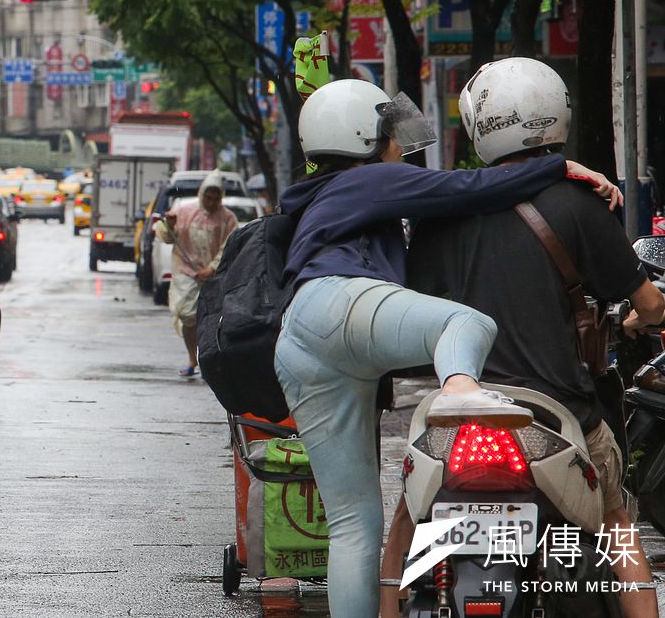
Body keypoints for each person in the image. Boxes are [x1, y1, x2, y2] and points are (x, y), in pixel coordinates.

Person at [273, 79, 620, 618]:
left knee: (352, 524)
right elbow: (470, 189)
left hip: (300, 342)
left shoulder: (314, 197)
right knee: (466, 322)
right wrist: (559, 168)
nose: (398, 145)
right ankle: (462, 390)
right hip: (338, 301)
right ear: (364, 137)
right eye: (389, 133)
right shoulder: (367, 181)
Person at [380, 58, 660, 617]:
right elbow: (648, 304)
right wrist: (643, 318)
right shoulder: (580, 200)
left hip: (455, 415)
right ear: (556, 114)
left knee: (404, 531)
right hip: (556, 415)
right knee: (616, 526)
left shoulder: (442, 211)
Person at [154, 172, 239, 377]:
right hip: (186, 271)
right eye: (207, 197)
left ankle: (210, 359)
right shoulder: (184, 211)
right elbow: (166, 236)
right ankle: (193, 357)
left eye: (215, 199)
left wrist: (213, 267)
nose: (210, 202)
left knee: (214, 319)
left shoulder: (228, 219)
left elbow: (229, 245)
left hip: (214, 275)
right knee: (186, 313)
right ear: (201, 194)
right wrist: (170, 225)